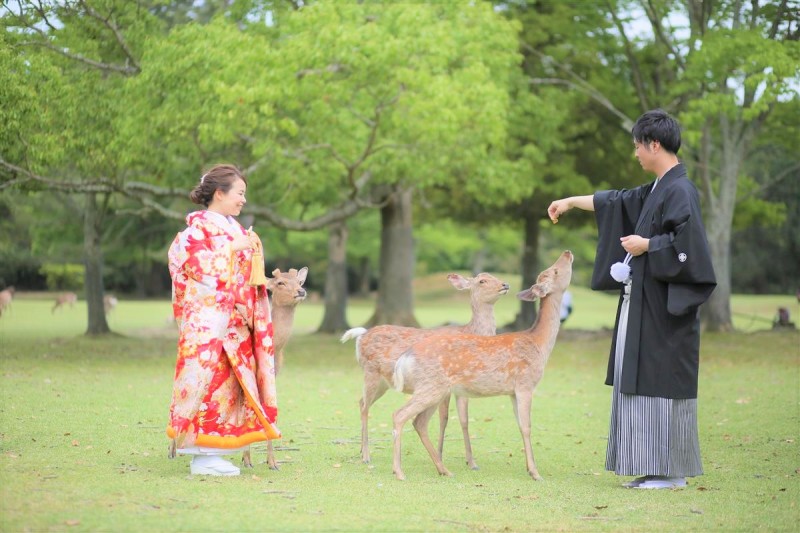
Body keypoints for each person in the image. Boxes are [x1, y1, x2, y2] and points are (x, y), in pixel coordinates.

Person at [547, 109, 716, 490]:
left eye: (638, 146)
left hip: (665, 312)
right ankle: (653, 468)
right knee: (639, 379)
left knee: (660, 381)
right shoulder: (658, 188)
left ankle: (670, 472)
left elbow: (689, 249)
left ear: (654, 144)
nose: (635, 154)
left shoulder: (680, 190)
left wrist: (647, 245)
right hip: (643, 307)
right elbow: (616, 201)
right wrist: (571, 201)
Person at [166, 164, 280, 476]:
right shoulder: (196, 232)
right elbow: (191, 266)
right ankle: (201, 455)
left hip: (236, 324)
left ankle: (215, 450)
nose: (244, 200)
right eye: (239, 193)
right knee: (210, 386)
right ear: (219, 194)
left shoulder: (234, 229)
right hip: (211, 326)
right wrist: (230, 248)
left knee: (231, 389)